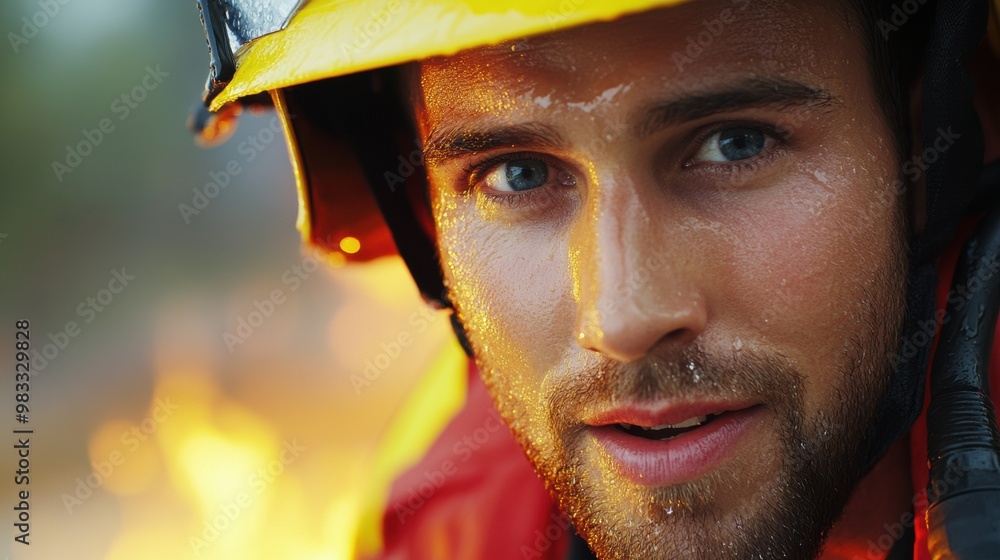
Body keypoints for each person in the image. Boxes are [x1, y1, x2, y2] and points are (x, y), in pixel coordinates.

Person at [189, 0, 1000, 558]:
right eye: (515, 173)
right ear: (422, 217)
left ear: (933, 147)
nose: (623, 315)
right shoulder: (448, 532)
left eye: (736, 145)